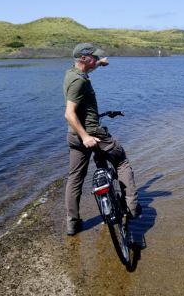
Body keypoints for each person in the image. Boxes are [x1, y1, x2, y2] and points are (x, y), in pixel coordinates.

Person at [63, 42, 141, 236]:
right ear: (83, 58)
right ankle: (132, 209)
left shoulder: (72, 73)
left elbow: (88, 66)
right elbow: (69, 114)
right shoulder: (79, 82)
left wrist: (100, 63)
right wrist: (86, 136)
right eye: (94, 58)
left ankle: (72, 225)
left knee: (75, 179)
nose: (97, 60)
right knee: (121, 161)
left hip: (73, 136)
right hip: (90, 134)